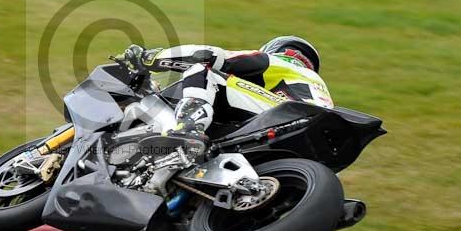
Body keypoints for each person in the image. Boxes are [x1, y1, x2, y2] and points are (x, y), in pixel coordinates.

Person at [120, 36, 333, 141]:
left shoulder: (280, 62)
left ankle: (188, 129)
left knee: (203, 68)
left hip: (287, 115)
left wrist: (150, 59)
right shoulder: (314, 88)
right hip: (314, 134)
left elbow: (209, 55)